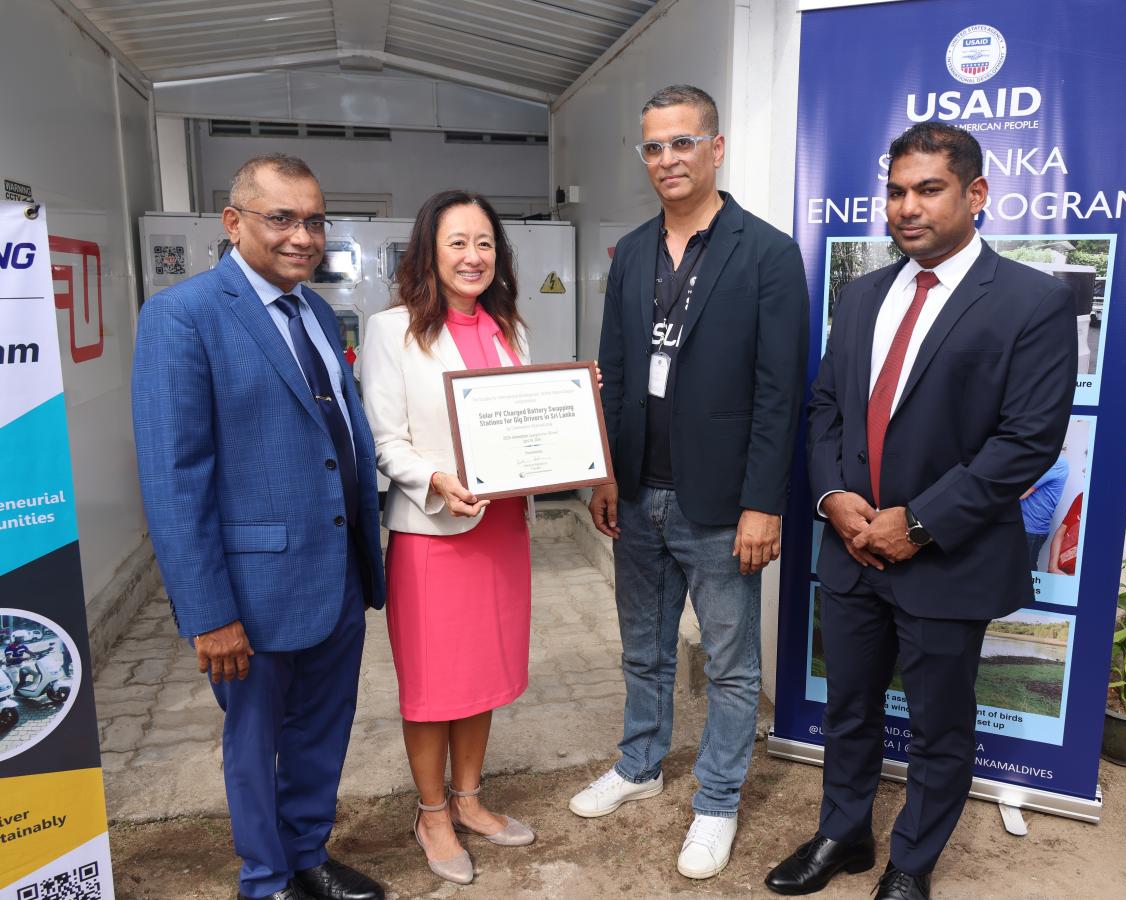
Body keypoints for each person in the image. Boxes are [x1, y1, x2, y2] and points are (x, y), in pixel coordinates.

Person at [765, 122, 1076, 900]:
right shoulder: (864, 292)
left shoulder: (1032, 302)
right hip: (850, 549)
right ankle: (845, 833)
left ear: (975, 194)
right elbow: (827, 406)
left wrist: (920, 522)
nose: (907, 207)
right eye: (897, 191)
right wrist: (836, 500)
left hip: (945, 558)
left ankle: (911, 862)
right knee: (848, 706)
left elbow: (1027, 440)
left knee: (940, 726)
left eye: (928, 189)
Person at [568, 84, 808, 880]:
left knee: (733, 665)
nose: (666, 159)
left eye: (681, 142)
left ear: (716, 147)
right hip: (637, 494)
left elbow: (781, 393)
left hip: (722, 505)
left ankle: (717, 801)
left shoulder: (767, 253)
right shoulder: (633, 251)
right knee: (643, 650)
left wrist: (762, 503)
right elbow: (613, 375)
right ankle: (638, 768)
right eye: (653, 147)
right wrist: (604, 473)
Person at [131, 154, 387, 900]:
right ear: (234, 223)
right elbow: (175, 480)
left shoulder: (312, 310)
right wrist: (209, 614)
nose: (302, 236)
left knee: (322, 728)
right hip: (251, 587)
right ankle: (267, 878)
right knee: (255, 741)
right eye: (282, 219)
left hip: (336, 569)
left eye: (313, 219)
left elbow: (336, 434)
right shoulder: (183, 317)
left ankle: (308, 855)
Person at [359, 190, 536, 887]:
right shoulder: (390, 329)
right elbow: (383, 439)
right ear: (429, 251)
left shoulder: (509, 329)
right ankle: (430, 812)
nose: (474, 256)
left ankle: (469, 799)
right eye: (458, 242)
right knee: (434, 686)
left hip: (501, 531)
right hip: (433, 533)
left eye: (485, 242)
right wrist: (433, 479)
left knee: (482, 672)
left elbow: (527, 424)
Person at [1021, 450, 1070, 569]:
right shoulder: (1043, 459)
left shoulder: (1056, 462)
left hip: (1031, 529)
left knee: (1026, 574)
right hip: (1026, 526)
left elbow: (1021, 493)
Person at [1047, 492, 1084, 576]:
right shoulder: (1082, 496)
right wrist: (1053, 567)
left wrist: (1074, 578)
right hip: (1058, 571)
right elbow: (1061, 531)